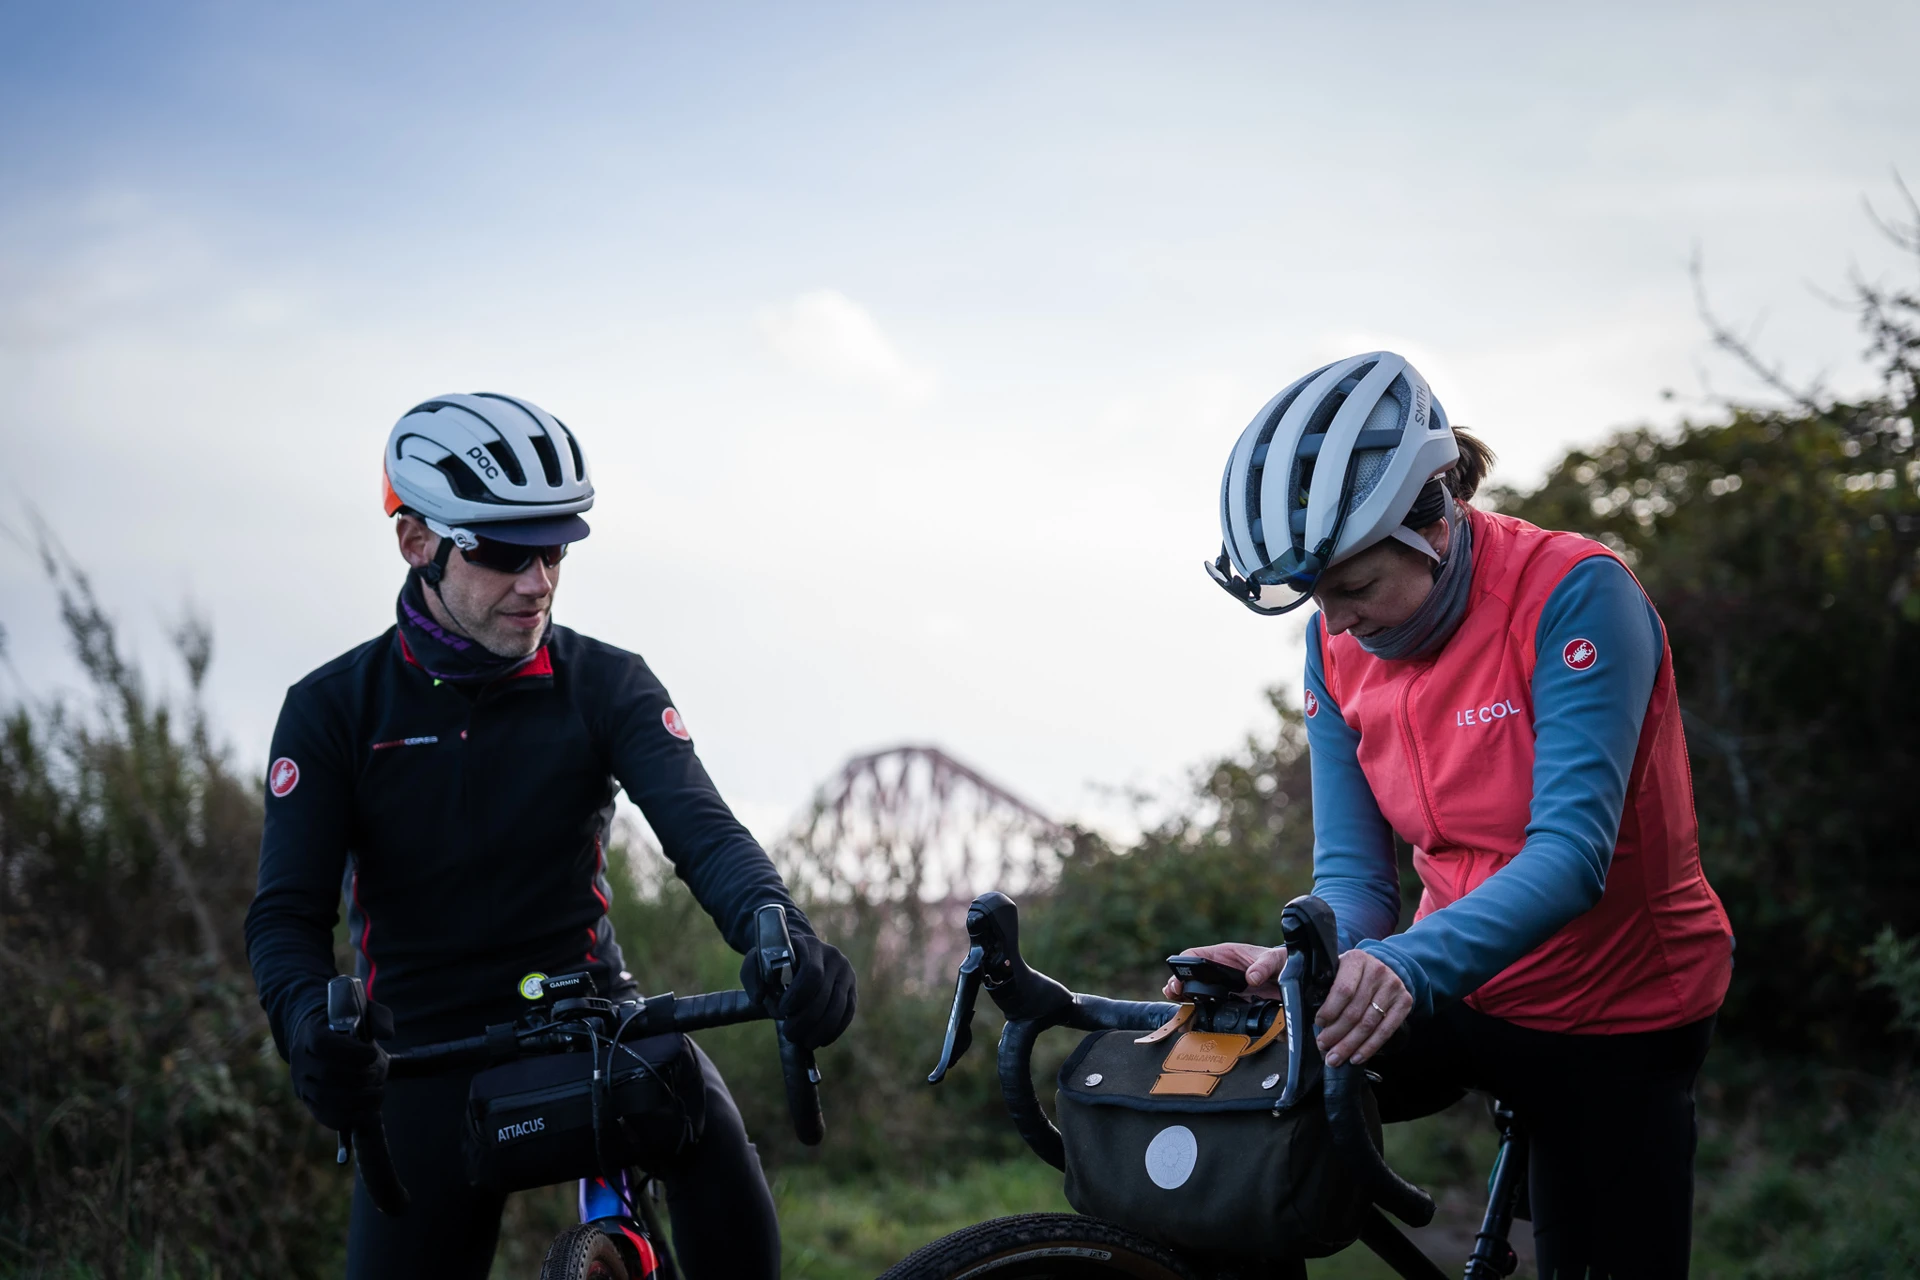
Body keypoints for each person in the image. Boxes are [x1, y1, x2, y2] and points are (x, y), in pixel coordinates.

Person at [244, 392, 856, 1280]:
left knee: (730, 1197)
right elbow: (286, 917)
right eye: (502, 551)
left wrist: (785, 935)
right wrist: (309, 1025)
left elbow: (706, 836)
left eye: (556, 548)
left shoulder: (606, 683)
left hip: (590, 1015)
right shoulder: (333, 710)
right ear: (415, 541)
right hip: (426, 1051)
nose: (537, 581)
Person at [1181, 352, 1732, 1279]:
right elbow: (1356, 884)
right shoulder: (1332, 645)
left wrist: (1403, 964)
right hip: (1460, 985)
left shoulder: (1574, 593)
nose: (1337, 624)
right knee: (1240, 1118)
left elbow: (1572, 857)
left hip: (1617, 1005)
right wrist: (1305, 964)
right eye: (1317, 598)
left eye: (1355, 588)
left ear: (1431, 525)